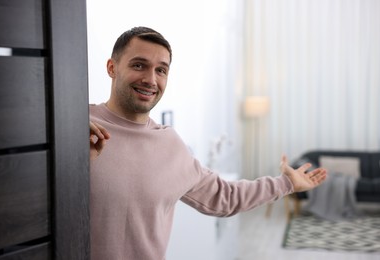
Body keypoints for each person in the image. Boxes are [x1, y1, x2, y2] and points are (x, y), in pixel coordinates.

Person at [89, 26, 327, 260]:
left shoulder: (169, 146)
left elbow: (226, 196)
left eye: (161, 70)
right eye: (139, 65)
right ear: (112, 68)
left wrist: (286, 183)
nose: (150, 79)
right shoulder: (76, 127)